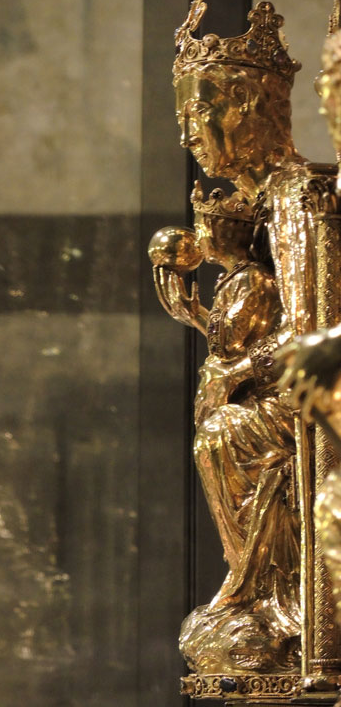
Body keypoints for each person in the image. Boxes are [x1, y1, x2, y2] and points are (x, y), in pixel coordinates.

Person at [150, 181, 299, 672]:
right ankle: (246, 577)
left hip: (269, 406)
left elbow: (275, 343)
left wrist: (233, 371)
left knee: (220, 440)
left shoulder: (255, 280)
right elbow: (225, 339)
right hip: (240, 402)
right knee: (213, 444)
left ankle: (265, 587)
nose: (199, 236)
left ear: (222, 232)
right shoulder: (234, 281)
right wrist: (193, 314)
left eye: (204, 226)